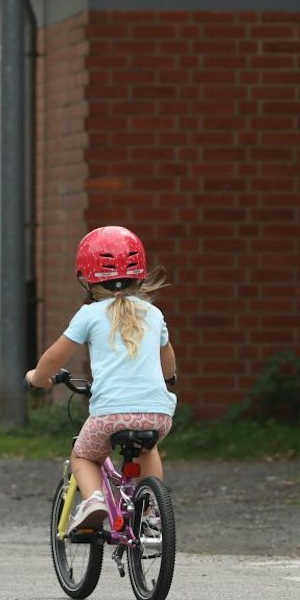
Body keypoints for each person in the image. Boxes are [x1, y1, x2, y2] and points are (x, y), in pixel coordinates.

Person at [25, 226, 178, 533]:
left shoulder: (89, 315)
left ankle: (94, 499)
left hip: (110, 414)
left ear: (86, 277)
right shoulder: (153, 313)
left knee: (83, 455)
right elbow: (168, 359)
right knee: (148, 449)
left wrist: (38, 378)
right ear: (140, 273)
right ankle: (152, 513)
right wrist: (169, 378)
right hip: (157, 415)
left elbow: (55, 357)